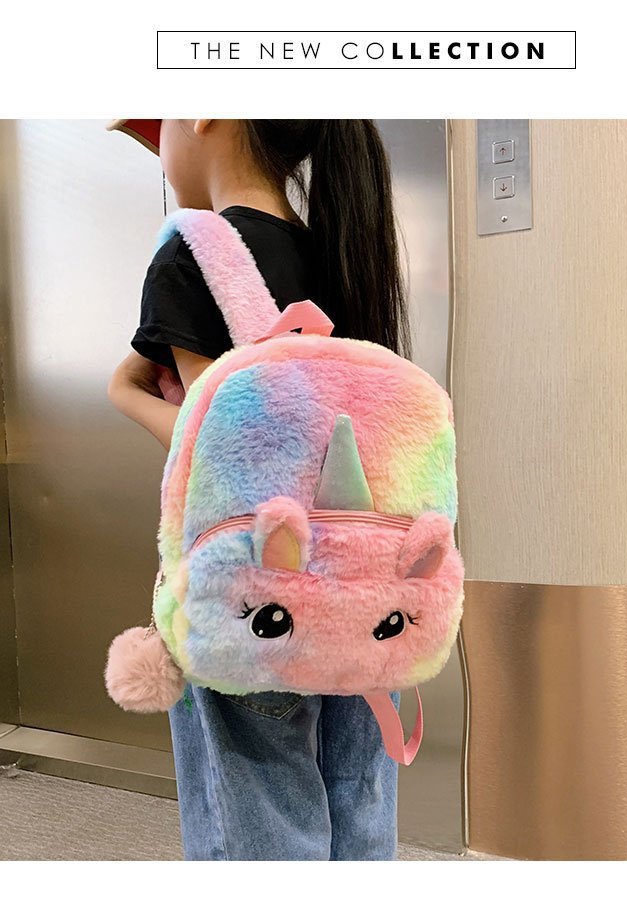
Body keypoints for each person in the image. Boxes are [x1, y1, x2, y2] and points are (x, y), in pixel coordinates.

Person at [106, 119, 411, 861]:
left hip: (258, 594)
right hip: (364, 588)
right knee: (357, 809)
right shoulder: (340, 245)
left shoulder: (195, 252)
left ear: (205, 114)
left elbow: (222, 448)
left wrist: (125, 393)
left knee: (258, 823)